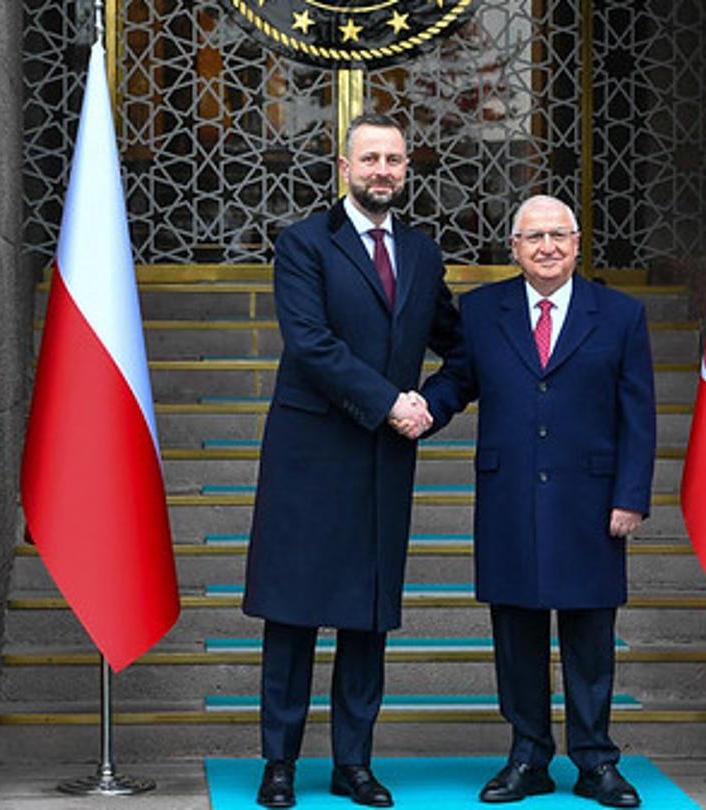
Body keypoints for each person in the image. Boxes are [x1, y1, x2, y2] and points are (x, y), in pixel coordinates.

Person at [240, 112, 463, 808]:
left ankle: (354, 764)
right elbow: (311, 343)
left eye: (393, 160)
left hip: (382, 460)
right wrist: (390, 401)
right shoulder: (303, 243)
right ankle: (279, 763)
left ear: (406, 169)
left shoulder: (422, 254)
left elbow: (461, 346)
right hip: (309, 456)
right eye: (370, 159)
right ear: (344, 168)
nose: (382, 171)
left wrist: (432, 405)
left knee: (368, 618)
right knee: (293, 614)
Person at [419, 195, 654, 807]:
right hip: (510, 498)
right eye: (534, 237)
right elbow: (458, 380)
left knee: (590, 638)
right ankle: (528, 756)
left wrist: (631, 495)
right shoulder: (481, 311)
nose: (547, 247)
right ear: (514, 248)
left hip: (592, 501)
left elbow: (638, 414)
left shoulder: (621, 314)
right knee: (516, 633)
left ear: (577, 244)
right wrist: (419, 410)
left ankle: (596, 760)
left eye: (558, 235)